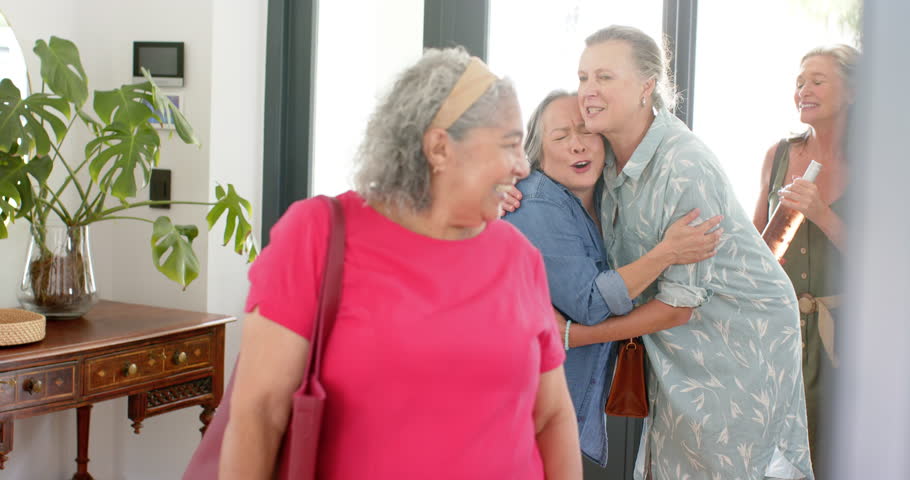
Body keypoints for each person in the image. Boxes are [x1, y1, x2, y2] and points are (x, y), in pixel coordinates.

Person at [217, 48, 582, 479]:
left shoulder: (518, 256)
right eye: (508, 145)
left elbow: (553, 415)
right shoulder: (319, 234)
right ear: (440, 148)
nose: (523, 166)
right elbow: (260, 414)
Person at [572, 25, 814, 479]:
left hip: (741, 333)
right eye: (583, 77)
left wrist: (575, 335)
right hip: (678, 342)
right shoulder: (602, 152)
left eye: (604, 77)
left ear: (647, 87)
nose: (588, 91)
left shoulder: (685, 165)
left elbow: (679, 306)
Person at [504, 90, 723, 470]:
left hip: (596, 397)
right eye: (560, 137)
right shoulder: (537, 203)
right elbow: (590, 304)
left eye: (586, 132)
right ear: (535, 156)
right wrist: (667, 252)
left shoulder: (611, 196)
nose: (577, 145)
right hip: (546, 410)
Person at [753, 44, 858, 475]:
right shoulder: (779, 154)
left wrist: (822, 214)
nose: (803, 90)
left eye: (817, 80)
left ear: (853, 91)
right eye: (799, 82)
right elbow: (757, 250)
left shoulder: (881, 165)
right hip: (781, 335)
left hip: (847, 344)